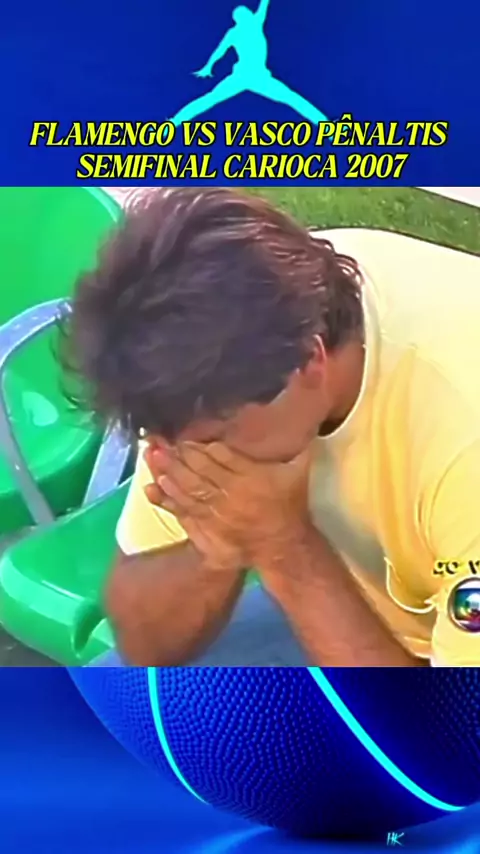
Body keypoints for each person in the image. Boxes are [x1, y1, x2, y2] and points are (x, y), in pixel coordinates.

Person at [63, 187, 480, 667]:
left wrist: (283, 546)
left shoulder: (461, 436)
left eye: (214, 440)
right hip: (378, 617)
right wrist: (218, 548)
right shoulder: (193, 371)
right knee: (118, 683)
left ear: (309, 361)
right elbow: (143, 646)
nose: (189, 460)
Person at [169, 0, 328, 127]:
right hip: (244, 75)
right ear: (240, 19)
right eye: (246, 13)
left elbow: (264, 3)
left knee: (291, 98)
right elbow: (220, 50)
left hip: (257, 76)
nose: (250, 13)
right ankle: (175, 121)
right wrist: (208, 66)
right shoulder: (245, 27)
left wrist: (208, 66)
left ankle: (326, 125)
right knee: (211, 98)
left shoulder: (251, 25)